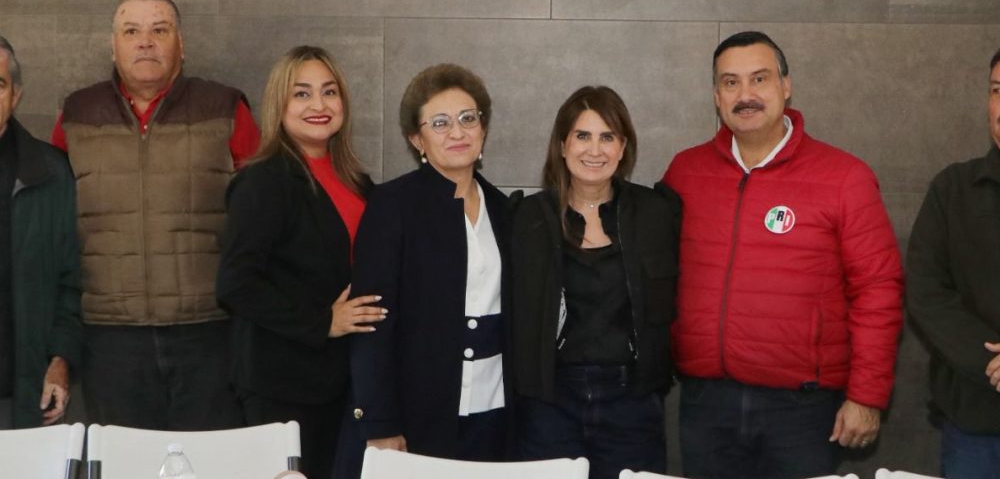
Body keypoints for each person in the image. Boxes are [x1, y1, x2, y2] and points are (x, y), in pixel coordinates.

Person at [661, 31, 904, 479]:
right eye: (730, 82)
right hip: (706, 406)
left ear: (786, 86)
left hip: (803, 412)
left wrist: (866, 396)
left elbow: (878, 290)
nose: (745, 95)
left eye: (759, 78)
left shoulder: (844, 177)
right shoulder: (685, 173)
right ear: (716, 96)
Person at [51, 0, 259, 430]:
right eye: (131, 31)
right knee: (124, 460)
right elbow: (52, 225)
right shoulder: (77, 114)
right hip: (109, 338)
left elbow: (261, 213)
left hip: (210, 331)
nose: (145, 41)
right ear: (113, 46)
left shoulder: (225, 108)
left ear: (181, 44)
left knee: (210, 459)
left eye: (159, 30)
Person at [217, 45, 383, 479]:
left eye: (329, 92)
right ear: (280, 104)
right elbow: (235, 283)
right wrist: (322, 321)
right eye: (302, 94)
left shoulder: (357, 181)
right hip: (282, 385)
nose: (318, 105)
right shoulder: (263, 180)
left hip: (344, 381)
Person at [511, 86, 679, 479]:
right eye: (582, 136)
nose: (595, 150)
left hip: (632, 405)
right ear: (562, 145)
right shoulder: (526, 218)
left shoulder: (656, 213)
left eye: (607, 137)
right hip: (549, 403)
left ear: (623, 147)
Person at [347, 63, 511, 464]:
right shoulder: (392, 206)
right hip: (416, 415)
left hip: (495, 413)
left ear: (483, 128)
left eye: (467, 118)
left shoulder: (505, 210)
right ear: (417, 139)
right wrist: (380, 422)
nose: (457, 132)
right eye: (440, 123)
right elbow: (371, 322)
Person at [906, 47, 1000, 478]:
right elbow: (926, 292)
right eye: (997, 90)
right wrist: (990, 363)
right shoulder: (953, 189)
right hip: (974, 423)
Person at [0, 36, 82, 428]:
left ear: (15, 95)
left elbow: (73, 281)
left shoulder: (52, 174)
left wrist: (60, 359)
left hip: (21, 395)